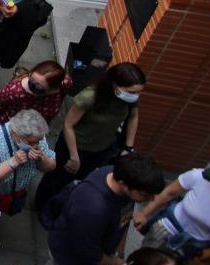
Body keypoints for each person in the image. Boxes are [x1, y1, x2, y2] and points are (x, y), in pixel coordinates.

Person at [35, 62, 146, 211]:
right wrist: (74, 156)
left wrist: (128, 147)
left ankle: (60, 207)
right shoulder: (90, 97)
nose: (135, 96)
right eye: (131, 92)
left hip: (100, 149)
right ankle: (41, 206)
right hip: (75, 147)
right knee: (56, 178)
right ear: (115, 85)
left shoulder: (130, 100)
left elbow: (133, 117)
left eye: (138, 92)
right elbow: (68, 125)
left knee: (78, 180)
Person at [46, 151, 164, 265]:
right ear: (123, 184)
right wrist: (119, 263)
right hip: (69, 260)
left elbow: (122, 219)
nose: (151, 199)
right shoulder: (92, 208)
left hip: (93, 249)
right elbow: (88, 252)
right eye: (145, 195)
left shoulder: (115, 174)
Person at [0, 109, 57, 248]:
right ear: (15, 135)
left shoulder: (36, 138)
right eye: (31, 143)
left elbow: (51, 166)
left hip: (8, 190)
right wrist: (13, 162)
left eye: (38, 141)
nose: (36, 146)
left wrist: (41, 158)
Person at [0, 60, 73, 127]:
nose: (31, 85)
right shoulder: (16, 91)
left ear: (53, 87)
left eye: (38, 85)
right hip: (12, 126)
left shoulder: (65, 83)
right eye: (32, 78)